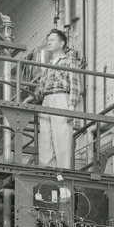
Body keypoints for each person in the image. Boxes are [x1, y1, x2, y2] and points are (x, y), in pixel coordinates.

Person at [24, 29, 82, 169]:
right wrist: (31, 98)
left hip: (61, 97)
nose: (48, 42)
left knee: (61, 138)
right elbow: (41, 87)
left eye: (52, 40)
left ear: (61, 43)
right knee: (45, 140)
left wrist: (72, 106)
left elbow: (75, 83)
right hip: (46, 100)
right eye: (48, 40)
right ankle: (48, 173)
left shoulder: (69, 60)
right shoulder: (48, 64)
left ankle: (65, 172)